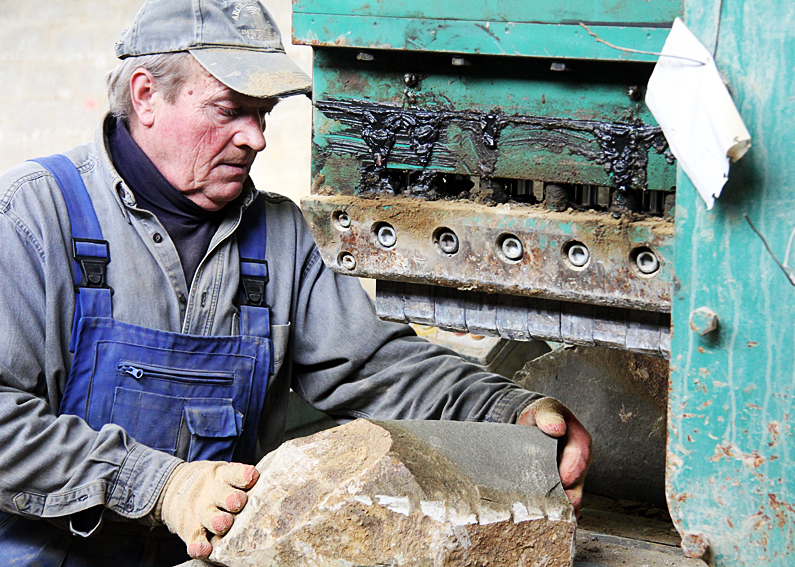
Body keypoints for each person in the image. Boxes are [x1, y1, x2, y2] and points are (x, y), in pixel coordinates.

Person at [0, 0, 592, 565]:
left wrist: (505, 411)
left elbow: (378, 367)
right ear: (146, 95)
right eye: (230, 110)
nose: (256, 138)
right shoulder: (34, 216)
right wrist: (164, 486)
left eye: (263, 113)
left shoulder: (280, 237)